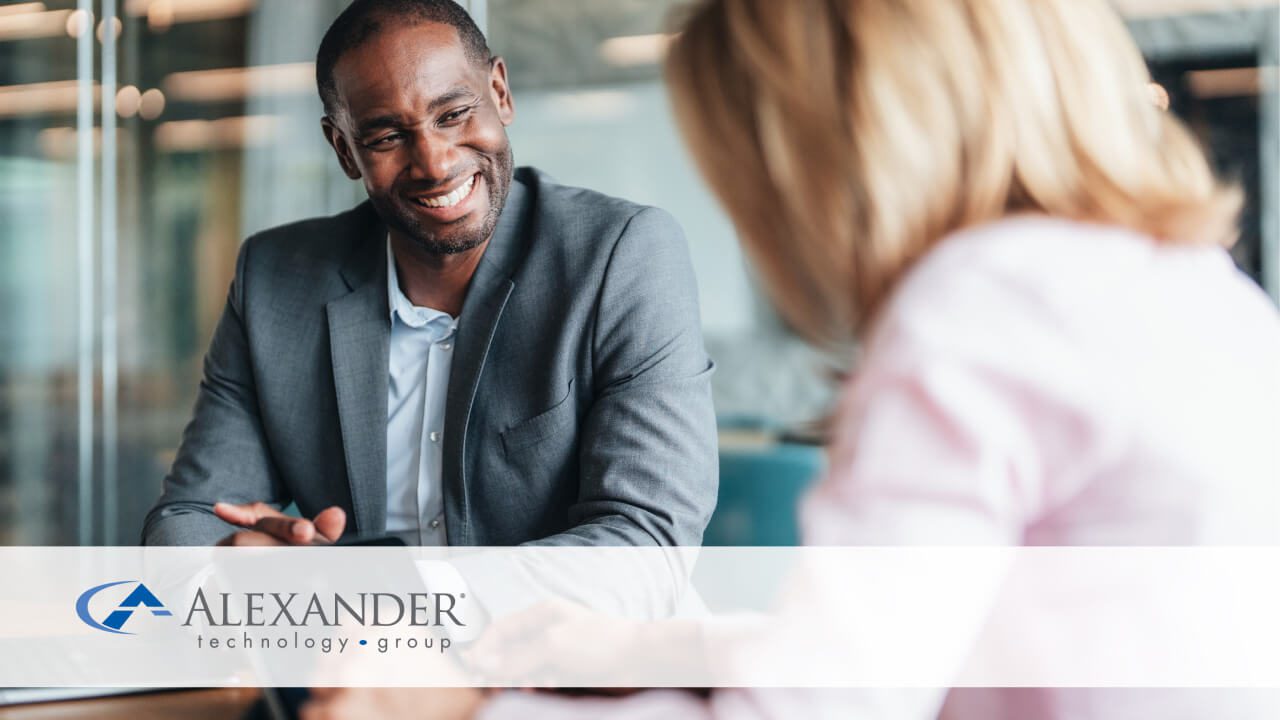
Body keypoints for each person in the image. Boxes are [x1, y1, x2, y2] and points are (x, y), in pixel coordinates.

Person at [300, 0, 1280, 717]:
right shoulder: (1193, 288)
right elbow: (934, 646)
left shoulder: (980, 309)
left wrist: (443, 708)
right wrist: (669, 644)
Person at [141, 0, 718, 548]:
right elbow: (186, 521)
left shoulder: (621, 256)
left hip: (561, 644)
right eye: (387, 136)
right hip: (352, 646)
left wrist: (399, 602)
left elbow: (646, 537)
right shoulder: (275, 281)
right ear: (344, 150)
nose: (435, 163)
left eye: (453, 114)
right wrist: (243, 561)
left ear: (499, 92)